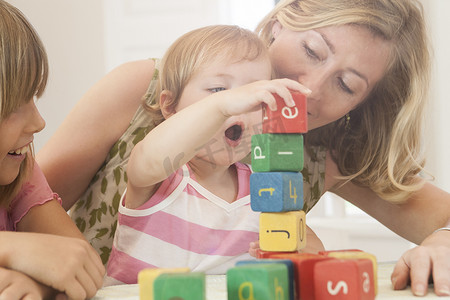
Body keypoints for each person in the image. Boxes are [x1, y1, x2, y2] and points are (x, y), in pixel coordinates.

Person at [37, 0, 450, 296]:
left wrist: (440, 244)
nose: (309, 88)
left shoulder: (328, 152)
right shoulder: (145, 88)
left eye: (347, 85)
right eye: (311, 50)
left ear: (361, 105)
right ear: (276, 27)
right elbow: (22, 203)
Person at [103, 24, 320, 285]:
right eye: (218, 89)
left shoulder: (264, 189)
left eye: (254, 97)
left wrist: (302, 253)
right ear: (170, 107)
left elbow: (308, 242)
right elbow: (148, 159)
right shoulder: (163, 176)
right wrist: (221, 106)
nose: (238, 104)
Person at [0, 1, 105, 299]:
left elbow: (80, 263)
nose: (39, 122)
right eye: (14, 105)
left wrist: (37, 286)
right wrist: (11, 248)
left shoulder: (22, 171)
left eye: (33, 97)